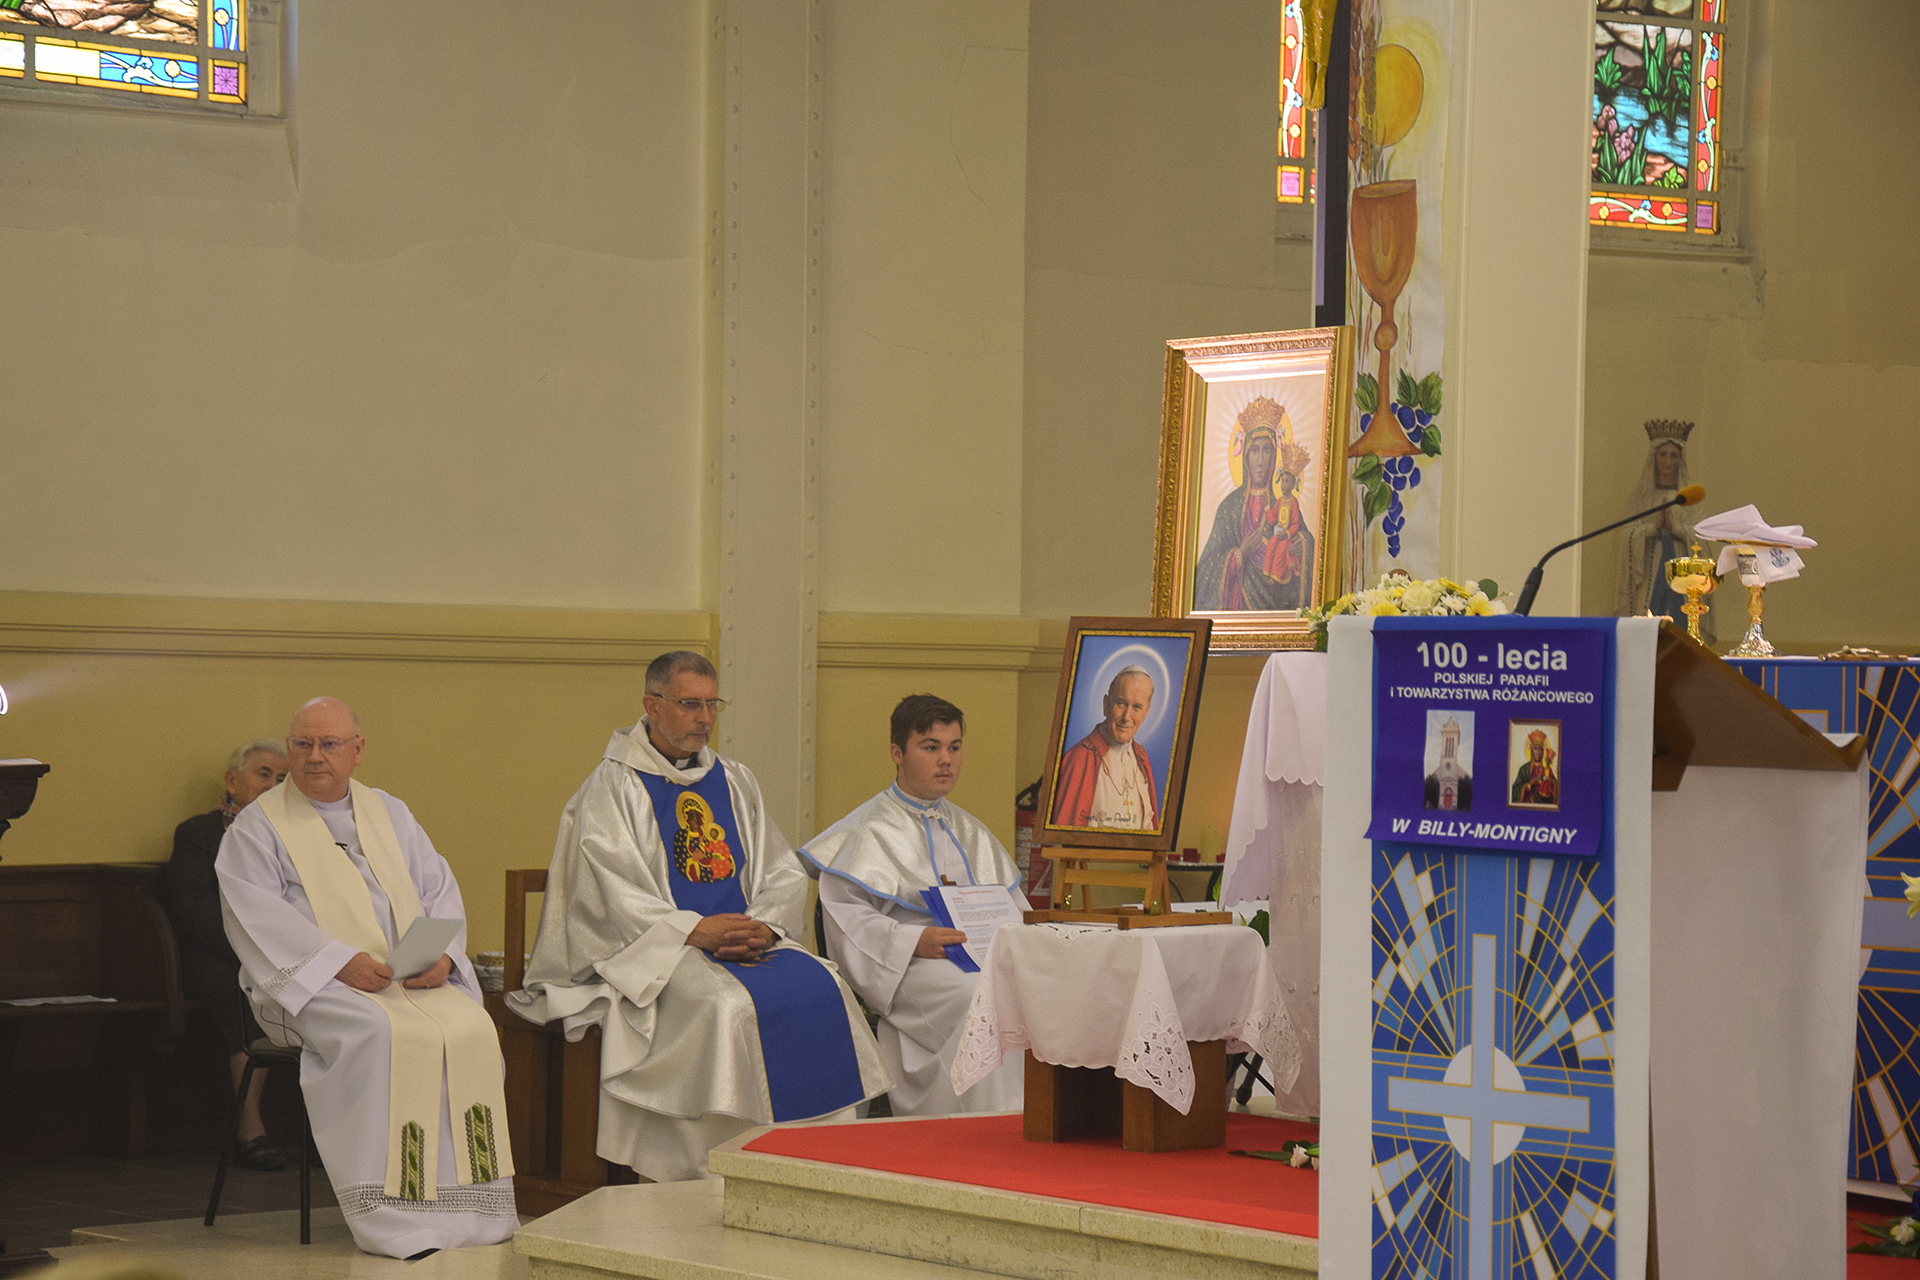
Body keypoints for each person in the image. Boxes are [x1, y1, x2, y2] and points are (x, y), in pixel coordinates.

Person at [508, 651, 888, 1183]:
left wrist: (765, 926)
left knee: (825, 986)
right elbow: (610, 891)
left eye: (713, 705)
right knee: (724, 1005)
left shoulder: (734, 779)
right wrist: (692, 929)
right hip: (658, 951)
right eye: (690, 704)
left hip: (741, 938)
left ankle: (816, 1161)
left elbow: (780, 869)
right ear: (652, 705)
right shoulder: (613, 786)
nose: (705, 718)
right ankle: (711, 1169)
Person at [216, 697, 515, 1259]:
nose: (314, 757)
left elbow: (437, 888)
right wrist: (337, 962)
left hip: (405, 979)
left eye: (329, 744)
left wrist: (442, 956)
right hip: (312, 986)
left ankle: (475, 1213)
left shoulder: (389, 813)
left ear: (357, 750)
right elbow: (255, 916)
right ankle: (394, 1216)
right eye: (302, 744)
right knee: (380, 1034)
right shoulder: (258, 827)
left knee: (472, 1027)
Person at [802, 695, 1026, 1116]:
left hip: (977, 958)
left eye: (954, 747)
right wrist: (913, 941)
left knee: (1027, 989)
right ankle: (985, 1122)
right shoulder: (861, 833)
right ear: (897, 753)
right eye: (930, 747)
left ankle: (1022, 1119)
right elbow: (847, 923)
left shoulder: (972, 831)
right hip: (907, 966)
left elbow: (1016, 911)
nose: (946, 760)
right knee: (981, 995)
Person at [167, 739, 289, 1170]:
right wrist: (249, 951)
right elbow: (193, 907)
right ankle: (249, 1130)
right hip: (217, 955)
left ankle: (321, 1132)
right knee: (247, 1004)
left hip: (277, 953)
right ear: (232, 781)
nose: (273, 785)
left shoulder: (295, 837)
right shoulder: (198, 834)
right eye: (263, 774)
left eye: (282, 779)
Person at [1193, 396, 1316, 612]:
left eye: (1267, 450)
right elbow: (1205, 570)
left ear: (1274, 456)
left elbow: (1309, 547)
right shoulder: (1229, 508)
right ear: (1245, 456)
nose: (1260, 461)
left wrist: (1302, 545)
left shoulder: (1285, 503)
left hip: (1280, 610)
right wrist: (1240, 554)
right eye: (1254, 450)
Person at [1616, 418, 1713, 642]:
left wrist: (1677, 528)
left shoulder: (1690, 498)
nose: (1668, 461)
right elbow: (1624, 534)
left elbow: (1703, 538)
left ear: (1681, 460)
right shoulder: (1641, 498)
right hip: (1650, 566)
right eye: (1663, 454)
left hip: (1681, 565)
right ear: (1654, 457)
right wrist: (1652, 528)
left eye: (1674, 455)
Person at [1049, 666, 1161, 831]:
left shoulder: (1141, 759)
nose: (1127, 717)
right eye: (1121, 704)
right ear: (1106, 704)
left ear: (1146, 712)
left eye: (1137, 707)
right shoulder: (1079, 758)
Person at [1511, 729, 1560, 807]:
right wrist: (1530, 784)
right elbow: (1514, 790)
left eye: (1540, 749)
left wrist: (1551, 784)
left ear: (1543, 751)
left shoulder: (1546, 769)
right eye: (1535, 748)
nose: (1538, 752)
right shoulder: (1524, 769)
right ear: (1532, 751)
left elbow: (1556, 786)